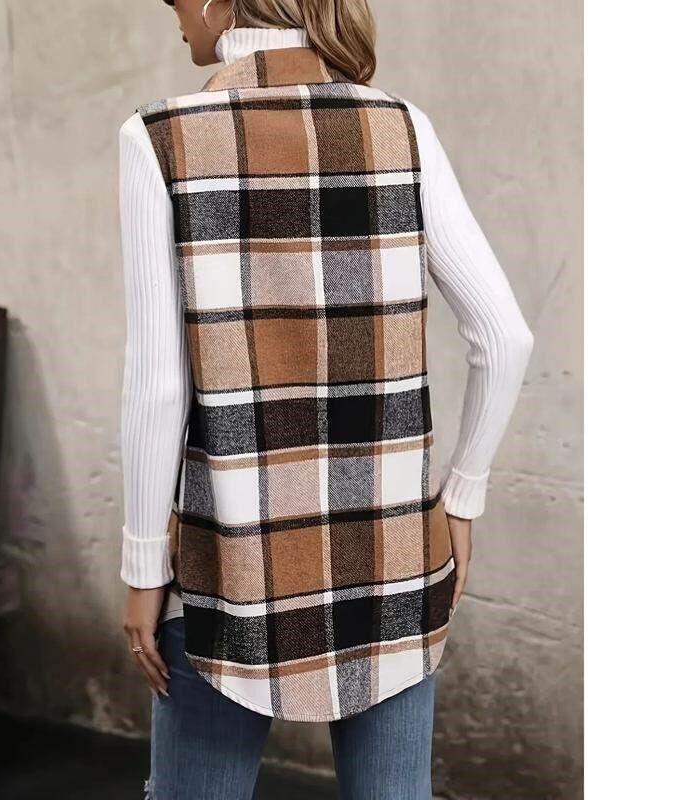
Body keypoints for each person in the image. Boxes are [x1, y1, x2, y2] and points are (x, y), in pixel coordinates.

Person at [118, 1, 534, 797]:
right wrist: (463, 494)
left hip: (228, 557)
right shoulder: (402, 126)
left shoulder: (160, 137)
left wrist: (143, 569)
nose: (170, 7)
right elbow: (504, 335)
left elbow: (159, 384)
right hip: (393, 551)